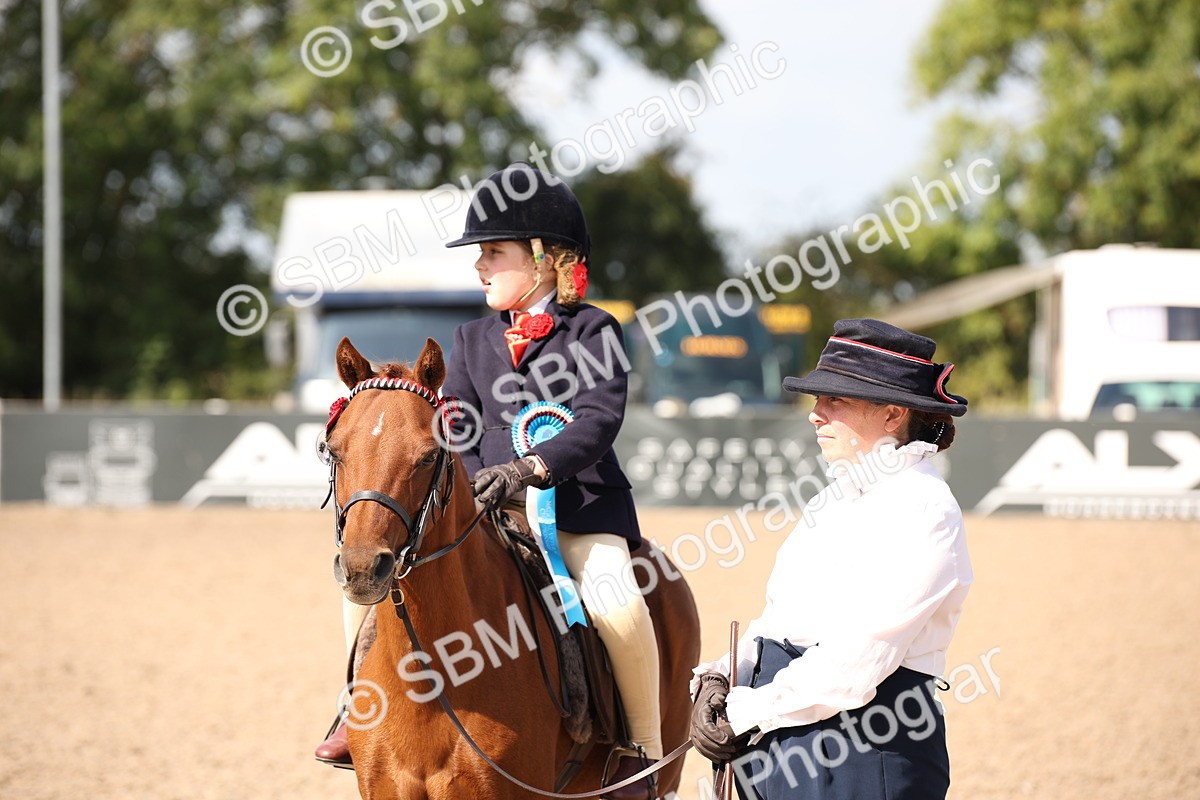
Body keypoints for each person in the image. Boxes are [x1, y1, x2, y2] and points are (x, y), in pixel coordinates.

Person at [319, 162, 663, 799]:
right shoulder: (469, 337)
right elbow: (457, 429)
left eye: (493, 252)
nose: (480, 266)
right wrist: (479, 485)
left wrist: (530, 469)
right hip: (488, 511)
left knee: (617, 598)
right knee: (361, 590)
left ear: (543, 259)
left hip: (579, 509)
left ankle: (636, 750)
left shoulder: (595, 331)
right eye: (480, 253)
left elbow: (597, 419)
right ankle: (355, 708)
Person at [689, 318, 974, 800]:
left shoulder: (926, 508)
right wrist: (720, 673)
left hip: (859, 754)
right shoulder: (832, 498)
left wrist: (742, 713)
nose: (815, 415)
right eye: (817, 400)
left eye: (834, 400)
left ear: (891, 415)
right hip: (779, 737)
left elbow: (855, 664)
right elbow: (781, 620)